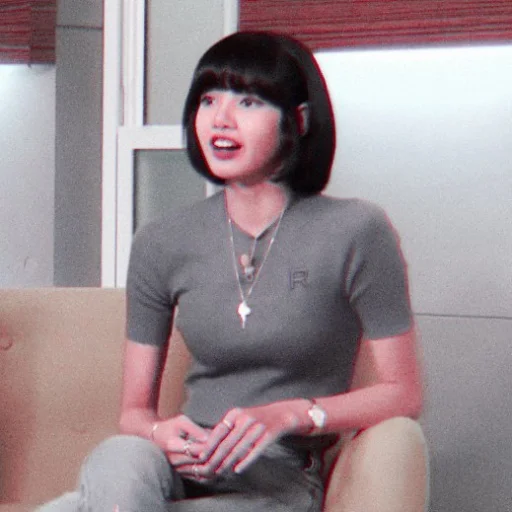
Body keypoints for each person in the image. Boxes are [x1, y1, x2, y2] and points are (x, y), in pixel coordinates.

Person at [38, 31, 426, 512]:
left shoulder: (357, 230)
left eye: (248, 101)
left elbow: (403, 393)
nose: (220, 119)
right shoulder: (160, 241)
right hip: (179, 466)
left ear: (299, 120)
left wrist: (291, 414)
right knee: (121, 456)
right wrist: (160, 432)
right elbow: (134, 414)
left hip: (276, 474)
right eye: (208, 100)